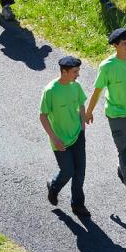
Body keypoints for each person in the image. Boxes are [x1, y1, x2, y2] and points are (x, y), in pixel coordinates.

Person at [85, 27, 126, 216]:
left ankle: (122, 170)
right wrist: (89, 111)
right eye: (124, 43)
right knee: (125, 153)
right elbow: (97, 91)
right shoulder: (107, 66)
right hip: (117, 115)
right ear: (115, 46)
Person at [40, 55, 89, 217]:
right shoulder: (51, 91)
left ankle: (77, 205)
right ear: (64, 71)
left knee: (79, 173)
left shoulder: (76, 86)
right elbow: (43, 116)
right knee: (67, 171)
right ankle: (54, 187)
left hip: (77, 136)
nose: (78, 75)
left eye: (78, 71)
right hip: (60, 141)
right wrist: (54, 138)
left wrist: (82, 127)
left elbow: (81, 104)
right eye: (75, 72)